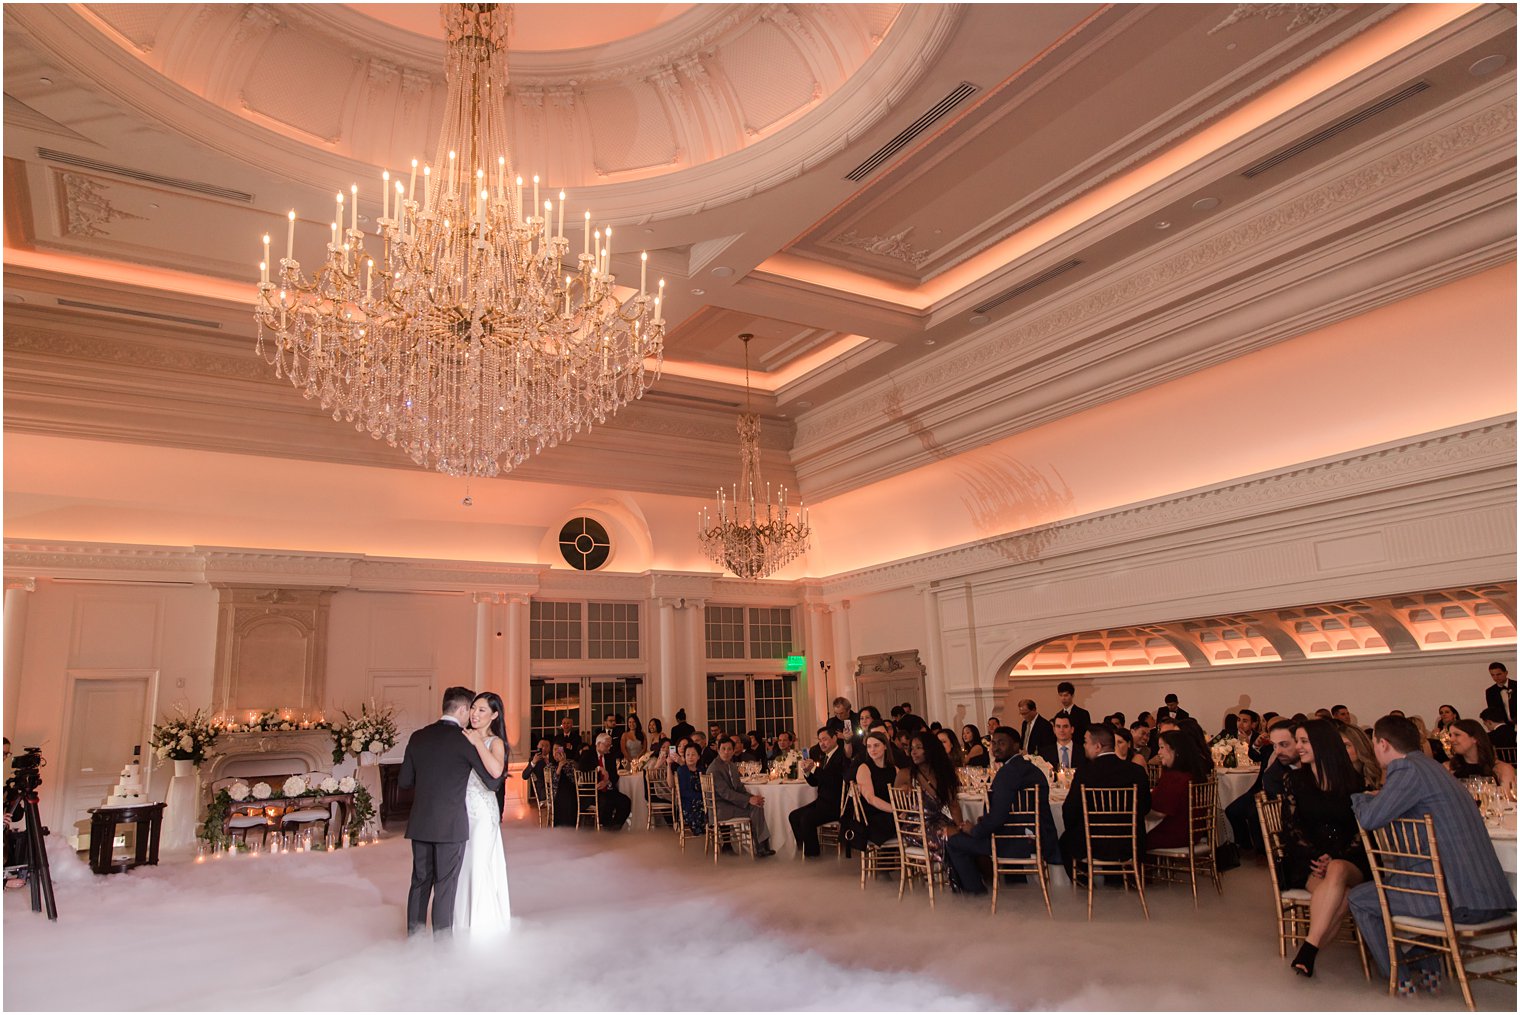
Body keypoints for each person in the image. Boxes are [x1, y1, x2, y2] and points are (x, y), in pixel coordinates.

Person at [1349, 714, 1516, 992]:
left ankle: (1399, 977)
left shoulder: (1406, 770)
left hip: (1460, 900)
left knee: (1360, 898)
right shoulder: (1434, 768)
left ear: (1383, 744)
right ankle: (1427, 965)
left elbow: (1370, 819)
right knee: (1408, 884)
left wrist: (1361, 797)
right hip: (1489, 893)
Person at [398, 685, 503, 937]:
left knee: (420, 882)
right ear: (463, 709)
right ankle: (442, 946)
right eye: (472, 710)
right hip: (451, 825)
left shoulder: (418, 736)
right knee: (445, 885)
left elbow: (404, 782)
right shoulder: (465, 740)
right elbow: (492, 782)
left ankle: (414, 941)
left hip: (421, 822)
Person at [1279, 718, 1369, 977]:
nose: (1299, 747)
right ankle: (1311, 952)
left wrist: (1336, 857)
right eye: (1298, 741)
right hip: (1308, 860)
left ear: (1322, 744)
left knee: (1338, 870)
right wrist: (1317, 856)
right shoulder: (1295, 780)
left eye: (1304, 741)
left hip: (1349, 859)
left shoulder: (1353, 781)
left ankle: (1308, 947)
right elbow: (1291, 827)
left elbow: (1360, 831)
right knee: (1341, 898)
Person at [945, 726, 1060, 894]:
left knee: (954, 842)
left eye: (1002, 743)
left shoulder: (1008, 772)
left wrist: (975, 830)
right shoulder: (1030, 768)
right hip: (1037, 835)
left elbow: (998, 816)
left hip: (1016, 841)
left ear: (1016, 746)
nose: (996, 747)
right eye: (993, 743)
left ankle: (975, 893)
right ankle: (1015, 887)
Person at [1059, 724, 1150, 882]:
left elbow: (1070, 810)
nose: (1084, 746)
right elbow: (1145, 807)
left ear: (1098, 746)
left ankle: (1084, 881)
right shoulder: (1136, 771)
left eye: (1086, 742)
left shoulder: (1085, 773)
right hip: (1131, 842)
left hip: (1094, 843)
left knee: (1064, 840)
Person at [456, 691, 511, 936]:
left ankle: (481, 926)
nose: (475, 714)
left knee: (479, 863)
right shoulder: (460, 736)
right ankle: (461, 920)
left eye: (482, 710)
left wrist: (478, 742)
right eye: (474, 708)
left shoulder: (495, 742)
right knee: (462, 865)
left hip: (481, 811)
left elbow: (496, 771)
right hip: (459, 808)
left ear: (494, 715)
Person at [1225, 718, 1298, 849]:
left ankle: (1262, 850)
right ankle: (1246, 846)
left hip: (1273, 797)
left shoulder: (1294, 765)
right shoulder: (1270, 749)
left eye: (1284, 744)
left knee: (1255, 814)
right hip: (1260, 791)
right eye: (1275, 745)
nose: (1278, 750)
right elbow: (1255, 756)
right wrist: (1256, 745)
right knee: (1232, 810)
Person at [705, 738, 775, 856]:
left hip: (729, 804)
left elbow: (740, 789)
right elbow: (726, 793)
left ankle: (761, 845)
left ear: (733, 751)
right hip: (720, 808)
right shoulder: (714, 768)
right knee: (755, 808)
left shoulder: (732, 766)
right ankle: (761, 846)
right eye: (723, 749)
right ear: (718, 750)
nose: (726, 752)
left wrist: (753, 798)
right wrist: (749, 800)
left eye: (729, 749)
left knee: (757, 805)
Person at [790, 725, 848, 858]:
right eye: (820, 740)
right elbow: (815, 783)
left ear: (834, 738)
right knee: (793, 816)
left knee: (806, 819)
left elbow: (834, 781)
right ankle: (802, 848)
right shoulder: (825, 757)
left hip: (836, 804)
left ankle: (812, 855)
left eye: (825, 739)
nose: (822, 743)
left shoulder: (841, 755)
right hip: (822, 801)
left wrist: (815, 769)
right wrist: (807, 772)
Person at [905, 731, 960, 865]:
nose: (914, 752)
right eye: (912, 749)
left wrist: (960, 825)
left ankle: (967, 876)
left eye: (919, 747)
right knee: (955, 837)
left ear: (931, 749)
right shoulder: (907, 775)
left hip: (939, 822)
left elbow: (953, 805)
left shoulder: (943, 775)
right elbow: (899, 801)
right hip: (916, 828)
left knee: (964, 834)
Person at [1148, 730, 1210, 850]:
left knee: (1130, 836)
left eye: (1161, 747)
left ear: (1175, 750)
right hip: (1193, 832)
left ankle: (1131, 867)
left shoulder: (1174, 778)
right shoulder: (1192, 774)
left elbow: (1158, 810)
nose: (1158, 752)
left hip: (1174, 834)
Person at [850, 732, 901, 846]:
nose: (872, 749)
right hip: (872, 817)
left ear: (885, 747)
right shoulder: (864, 768)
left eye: (876, 745)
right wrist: (895, 811)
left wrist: (902, 811)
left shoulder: (894, 769)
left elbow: (900, 796)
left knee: (913, 819)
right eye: (869, 746)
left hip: (890, 813)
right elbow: (870, 799)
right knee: (901, 822)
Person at [1446, 718, 1516, 793]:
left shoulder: (1501, 769)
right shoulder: (1448, 768)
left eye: (1457, 735)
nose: (1451, 739)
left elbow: (1507, 800)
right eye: (1450, 735)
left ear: (1474, 738)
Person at [592, 733, 632, 829]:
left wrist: (607, 782)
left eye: (610, 745)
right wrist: (599, 768)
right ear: (598, 744)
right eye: (607, 745)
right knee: (606, 802)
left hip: (608, 789)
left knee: (625, 801)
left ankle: (613, 828)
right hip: (594, 791)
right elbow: (583, 766)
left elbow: (615, 776)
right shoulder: (589, 754)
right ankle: (605, 826)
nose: (609, 748)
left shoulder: (610, 756)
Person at [1338, 721, 1383, 791]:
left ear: (1359, 745)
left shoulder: (1379, 769)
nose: (1341, 750)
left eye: (1346, 746)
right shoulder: (1338, 778)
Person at [674, 744, 706, 838]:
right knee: (701, 806)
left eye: (693, 754)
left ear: (698, 757)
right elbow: (683, 792)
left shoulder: (701, 770)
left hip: (702, 800)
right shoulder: (682, 770)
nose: (690, 757)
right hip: (689, 804)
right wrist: (701, 797)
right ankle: (702, 831)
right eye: (688, 755)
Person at [1017, 698, 1057, 767]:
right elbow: (1024, 740)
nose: (1023, 716)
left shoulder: (1044, 725)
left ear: (1034, 710)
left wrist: (1029, 753)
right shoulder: (1024, 723)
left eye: (1025, 713)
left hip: (1038, 761)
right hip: (1025, 759)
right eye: (1021, 714)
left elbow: (1047, 747)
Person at [549, 743, 576, 827]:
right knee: (561, 796)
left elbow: (573, 779)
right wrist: (559, 767)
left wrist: (565, 764)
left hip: (570, 790)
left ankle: (571, 825)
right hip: (556, 791)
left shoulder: (571, 763)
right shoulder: (550, 765)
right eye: (554, 749)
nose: (557, 751)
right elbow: (553, 782)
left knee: (569, 796)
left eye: (559, 749)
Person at [520, 737, 553, 806]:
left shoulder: (554, 758)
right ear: (537, 747)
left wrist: (548, 763)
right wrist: (533, 763)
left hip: (555, 788)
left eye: (547, 746)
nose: (544, 748)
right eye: (542, 746)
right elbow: (524, 776)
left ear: (550, 748)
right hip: (543, 791)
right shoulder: (534, 759)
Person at [1485, 661, 1515, 726]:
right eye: (1493, 675)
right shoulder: (1490, 692)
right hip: (1504, 726)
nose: (1496, 678)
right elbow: (1493, 711)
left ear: (1506, 673)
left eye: (1498, 674)